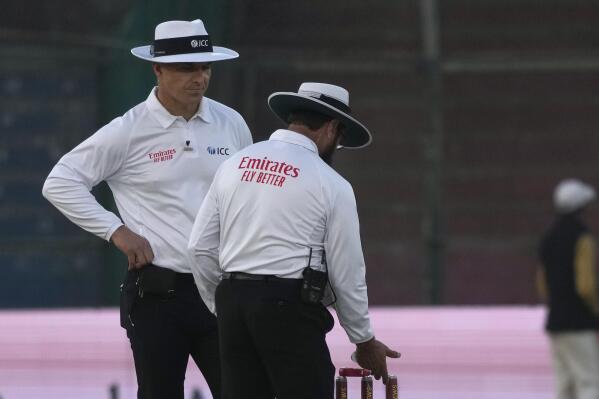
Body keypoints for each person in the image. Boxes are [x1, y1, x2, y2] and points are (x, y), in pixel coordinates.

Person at [42, 19, 252, 399]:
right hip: (159, 294)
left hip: (222, 289)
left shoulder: (230, 122)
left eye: (205, 67)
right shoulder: (129, 129)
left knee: (240, 391)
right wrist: (115, 230)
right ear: (157, 68)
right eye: (186, 68)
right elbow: (60, 181)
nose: (199, 78)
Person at [188, 82, 400, 399]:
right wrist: (363, 340)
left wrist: (221, 305)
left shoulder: (235, 164)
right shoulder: (331, 183)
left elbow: (199, 248)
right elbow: (347, 272)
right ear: (332, 128)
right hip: (288, 305)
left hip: (233, 301)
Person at [537, 178, 599, 399]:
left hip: (556, 321)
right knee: (589, 380)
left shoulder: (548, 239)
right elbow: (586, 285)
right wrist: (595, 309)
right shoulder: (583, 237)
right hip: (579, 322)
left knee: (564, 383)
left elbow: (543, 284)